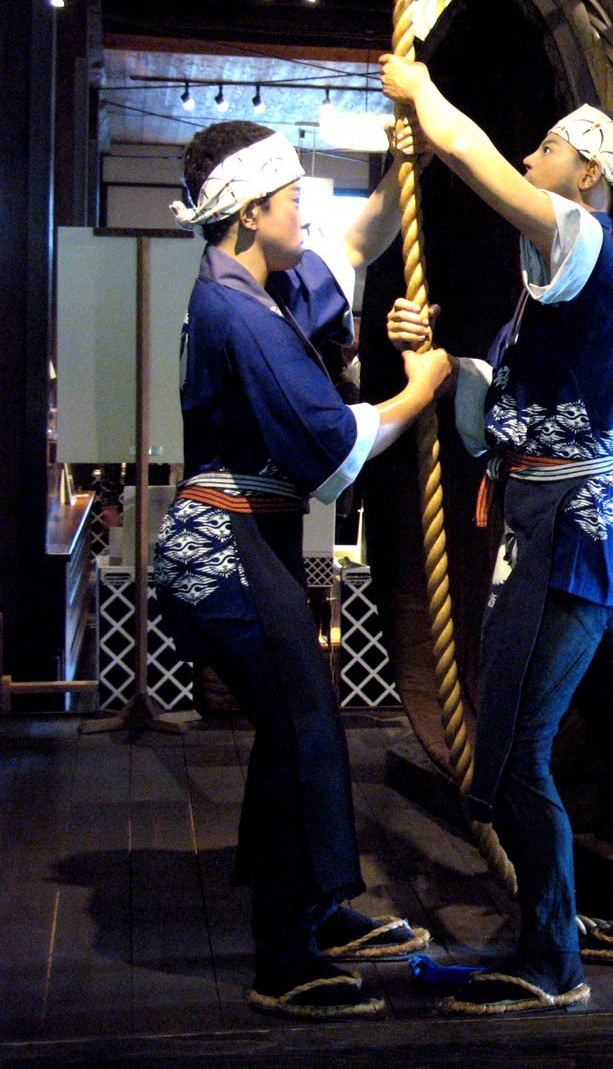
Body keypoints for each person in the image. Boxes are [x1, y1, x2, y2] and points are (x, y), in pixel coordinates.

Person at [380, 54, 613, 1018]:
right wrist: (441, 364)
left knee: (519, 750)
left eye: (551, 146)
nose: (532, 155)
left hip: (567, 536)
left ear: (590, 173)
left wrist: (424, 94)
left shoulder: (582, 236)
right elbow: (504, 419)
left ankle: (552, 957)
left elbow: (473, 156)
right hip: (578, 531)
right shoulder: (559, 277)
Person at [150, 120, 452, 1020]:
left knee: (304, 724)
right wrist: (420, 389)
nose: (305, 216)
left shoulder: (256, 286)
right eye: (291, 202)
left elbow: (355, 245)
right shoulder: (239, 313)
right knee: (299, 725)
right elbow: (331, 445)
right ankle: (284, 957)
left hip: (251, 543)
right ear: (249, 212)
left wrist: (407, 164)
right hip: (225, 548)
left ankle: (314, 909)